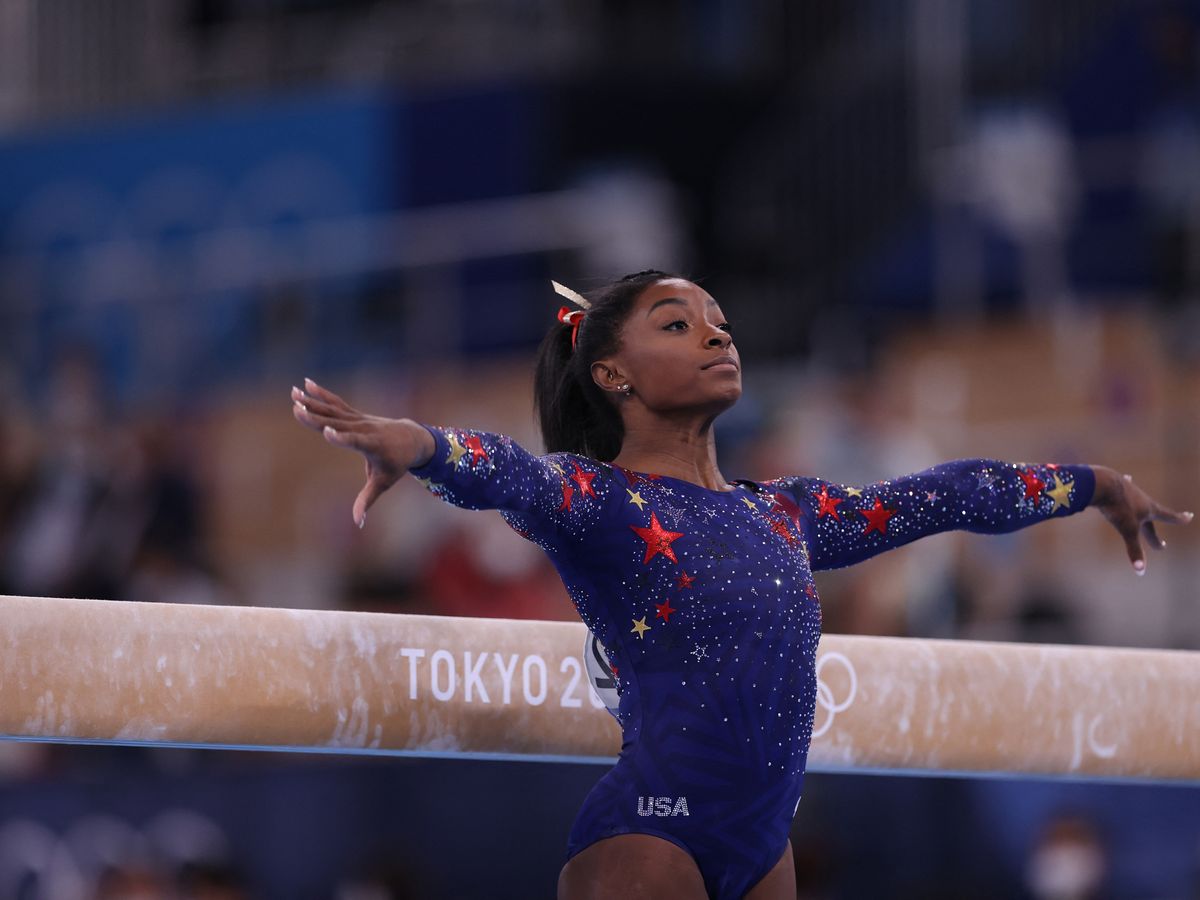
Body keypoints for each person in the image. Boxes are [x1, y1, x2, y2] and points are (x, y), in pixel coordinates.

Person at [291, 271, 1191, 900]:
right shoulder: (600, 500)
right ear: (613, 374)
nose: (717, 332)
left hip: (765, 856)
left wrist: (1094, 483)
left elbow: (942, 496)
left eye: (718, 318)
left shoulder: (788, 515)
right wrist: (419, 444)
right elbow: (507, 471)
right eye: (677, 324)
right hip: (647, 843)